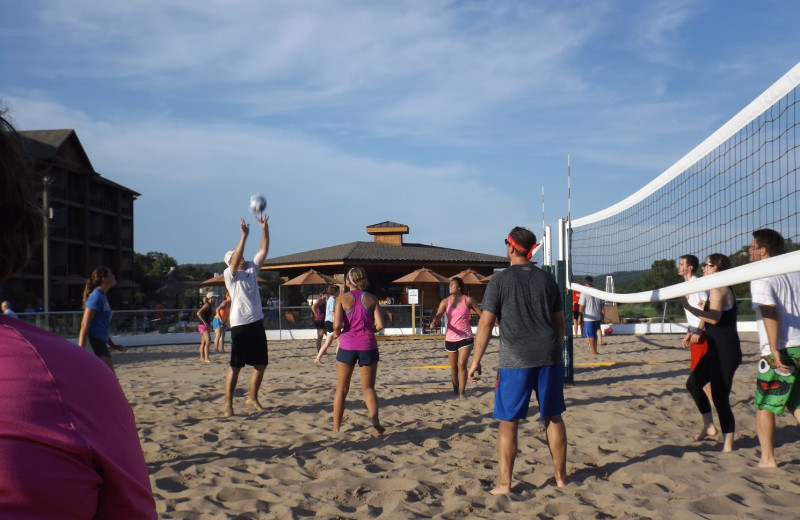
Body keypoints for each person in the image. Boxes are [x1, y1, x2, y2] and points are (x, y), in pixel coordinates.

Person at [0, 111, 156, 517]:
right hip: (87, 358)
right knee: (107, 380)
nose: (117, 279)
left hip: (96, 349)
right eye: (112, 275)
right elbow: (88, 322)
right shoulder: (70, 374)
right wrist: (83, 348)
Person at [469, 226, 567, 495]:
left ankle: (504, 484)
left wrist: (475, 360)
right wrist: (553, 350)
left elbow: (486, 324)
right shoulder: (547, 280)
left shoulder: (499, 281)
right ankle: (560, 479)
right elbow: (560, 324)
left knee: (509, 421)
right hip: (549, 356)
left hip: (516, 360)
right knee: (553, 416)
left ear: (511, 247)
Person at [748, 228, 800, 467]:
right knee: (796, 403)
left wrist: (774, 351)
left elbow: (768, 310)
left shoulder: (761, 273)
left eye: (752, 247)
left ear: (763, 250)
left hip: (779, 347)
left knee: (764, 405)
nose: (749, 251)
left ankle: (767, 459)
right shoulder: (795, 271)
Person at [680, 254, 742, 452]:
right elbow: (712, 313)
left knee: (720, 397)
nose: (704, 268)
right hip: (715, 350)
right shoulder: (715, 287)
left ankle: (728, 444)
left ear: (716, 268)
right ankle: (709, 425)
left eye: (707, 265)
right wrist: (699, 312)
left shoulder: (718, 287)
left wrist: (690, 307)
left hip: (727, 351)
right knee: (693, 383)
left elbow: (714, 318)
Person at [223, 214, 270, 417]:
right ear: (230, 261)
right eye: (236, 255)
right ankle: (228, 403)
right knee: (235, 365)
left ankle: (252, 397)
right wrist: (243, 236)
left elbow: (264, 250)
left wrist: (264, 229)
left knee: (261, 363)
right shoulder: (230, 275)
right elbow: (234, 261)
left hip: (256, 322)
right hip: (240, 325)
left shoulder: (251, 267)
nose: (241, 256)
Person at [330, 267, 385, 434]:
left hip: (347, 345)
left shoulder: (342, 298)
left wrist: (336, 332)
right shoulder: (372, 298)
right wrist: (369, 331)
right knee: (368, 388)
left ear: (348, 281)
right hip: (368, 345)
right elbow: (381, 325)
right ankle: (375, 420)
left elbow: (337, 325)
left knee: (342, 389)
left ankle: (336, 427)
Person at [431, 277, 482, 399]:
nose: (450, 287)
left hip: (465, 337)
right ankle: (455, 390)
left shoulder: (468, 300)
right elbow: (438, 314)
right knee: (453, 367)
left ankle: (462, 393)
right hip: (450, 338)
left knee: (461, 364)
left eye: (452, 285)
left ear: (459, 287)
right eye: (449, 285)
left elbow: (482, 314)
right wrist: (435, 321)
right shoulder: (445, 302)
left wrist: (494, 322)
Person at [677, 255, 712, 404]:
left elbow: (707, 309)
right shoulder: (685, 285)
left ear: (690, 267)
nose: (678, 266)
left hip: (702, 333)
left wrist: (698, 330)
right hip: (695, 332)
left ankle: (713, 402)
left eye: (681, 264)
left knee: (702, 373)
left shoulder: (697, 283)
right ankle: (712, 402)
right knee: (698, 371)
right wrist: (689, 332)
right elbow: (693, 314)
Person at [78, 266, 127, 374]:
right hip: (95, 343)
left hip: (101, 342)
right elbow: (85, 324)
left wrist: (113, 345)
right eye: (111, 274)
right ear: (104, 279)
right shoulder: (96, 297)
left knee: (103, 378)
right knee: (110, 377)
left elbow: (101, 326)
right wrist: (80, 349)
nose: (114, 276)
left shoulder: (102, 296)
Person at [578, 276, 604, 355]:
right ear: (592, 282)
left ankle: (594, 351)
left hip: (589, 317)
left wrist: (579, 316)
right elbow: (602, 305)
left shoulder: (584, 292)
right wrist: (602, 314)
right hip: (597, 315)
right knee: (595, 334)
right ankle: (595, 350)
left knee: (591, 335)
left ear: (585, 283)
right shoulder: (598, 291)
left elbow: (582, 306)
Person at [196, 292, 217, 363]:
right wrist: (204, 322)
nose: (216, 299)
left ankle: (202, 357)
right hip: (203, 325)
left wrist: (212, 315)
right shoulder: (207, 305)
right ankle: (206, 358)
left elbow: (208, 316)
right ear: (211, 298)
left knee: (204, 342)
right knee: (208, 341)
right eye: (214, 297)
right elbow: (198, 312)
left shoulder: (210, 305)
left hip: (205, 325)